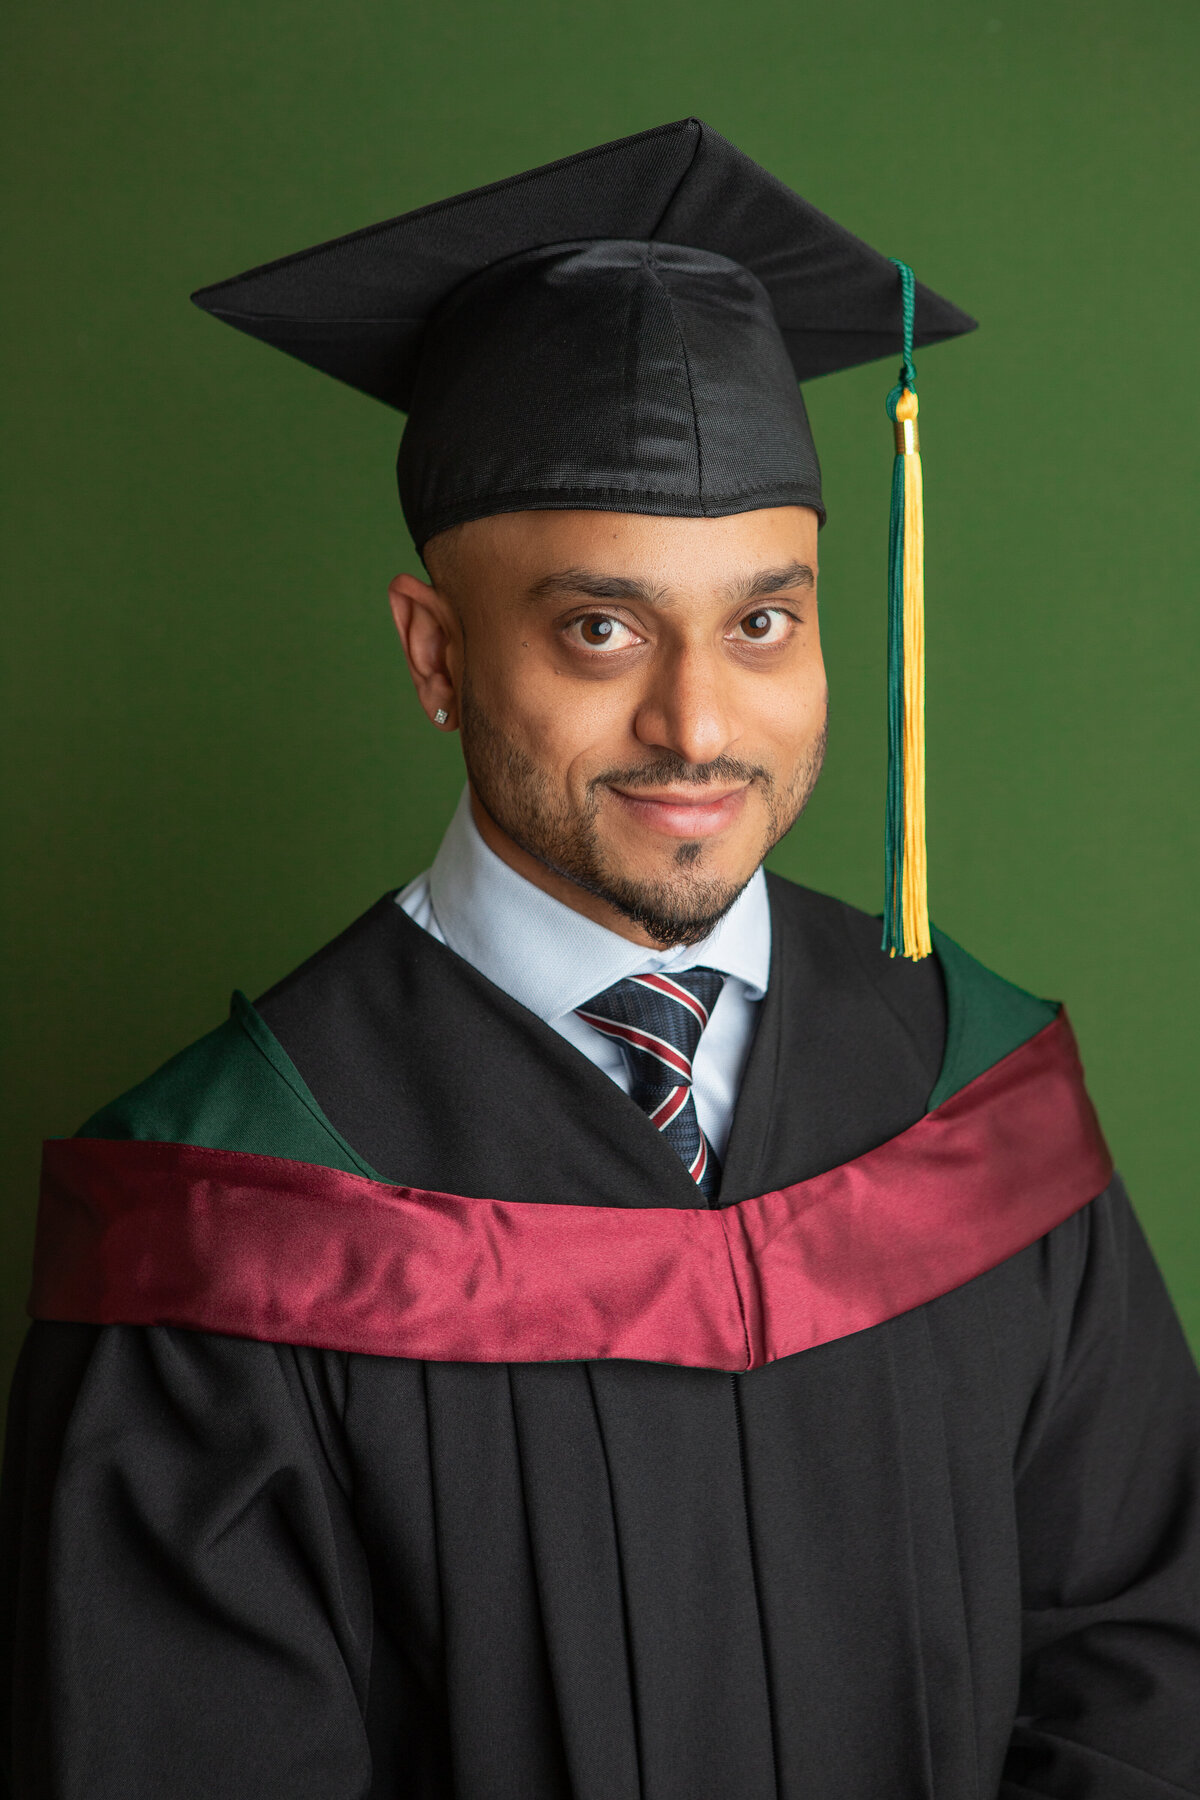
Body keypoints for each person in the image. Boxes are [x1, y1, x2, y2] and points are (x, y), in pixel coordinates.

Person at [2, 119, 1198, 1800]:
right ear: (435, 653)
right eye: (600, 628)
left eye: (763, 621)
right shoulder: (218, 1225)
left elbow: (1145, 1671)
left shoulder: (977, 1096)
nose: (698, 723)